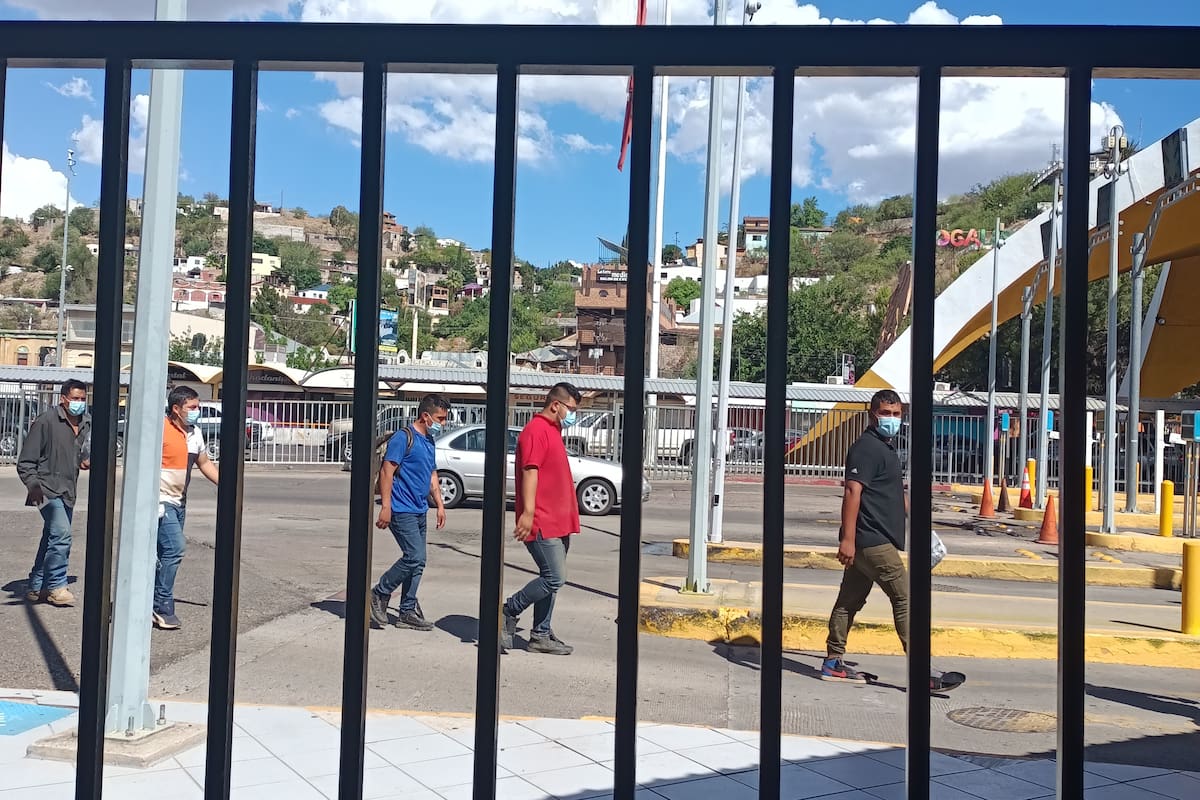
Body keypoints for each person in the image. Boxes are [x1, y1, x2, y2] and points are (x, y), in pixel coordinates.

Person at [823, 388, 909, 683]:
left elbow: (890, 494)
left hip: (871, 538)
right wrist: (847, 539)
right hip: (870, 539)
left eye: (896, 414)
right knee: (905, 598)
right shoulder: (867, 448)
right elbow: (852, 491)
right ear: (872, 414)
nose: (891, 419)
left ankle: (834, 662)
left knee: (849, 600)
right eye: (885, 413)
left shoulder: (885, 448)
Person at [500, 382, 582, 656]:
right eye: (570, 409)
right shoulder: (535, 431)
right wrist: (528, 513)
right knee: (554, 577)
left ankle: (541, 634)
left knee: (551, 579)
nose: (572, 415)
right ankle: (507, 611)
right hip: (542, 520)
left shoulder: (554, 430)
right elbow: (530, 472)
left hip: (560, 521)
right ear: (555, 405)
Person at [369, 394, 450, 631]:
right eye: (439, 418)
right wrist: (386, 507)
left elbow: (432, 473)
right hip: (401, 508)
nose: (442, 423)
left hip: (419, 508)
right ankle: (379, 592)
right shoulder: (403, 438)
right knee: (414, 556)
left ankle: (407, 610)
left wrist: (440, 504)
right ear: (425, 416)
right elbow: (387, 472)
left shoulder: (428, 440)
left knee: (419, 561)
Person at [19, 380, 91, 606]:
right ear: (63, 399)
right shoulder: (46, 422)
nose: (79, 403)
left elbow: (79, 455)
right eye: (75, 398)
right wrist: (35, 491)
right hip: (44, 489)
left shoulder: (87, 423)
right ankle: (57, 586)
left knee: (52, 536)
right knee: (62, 534)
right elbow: (25, 462)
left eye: (83, 399)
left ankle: (36, 585)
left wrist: (84, 460)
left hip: (68, 490)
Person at [154, 386, 219, 630]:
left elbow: (204, 463)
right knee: (175, 548)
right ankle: (161, 605)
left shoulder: (194, 434)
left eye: (197, 407)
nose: (196, 412)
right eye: (192, 408)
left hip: (180, 501)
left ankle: (150, 599)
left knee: (163, 554)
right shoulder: (160, 430)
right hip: (161, 501)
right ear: (176, 409)